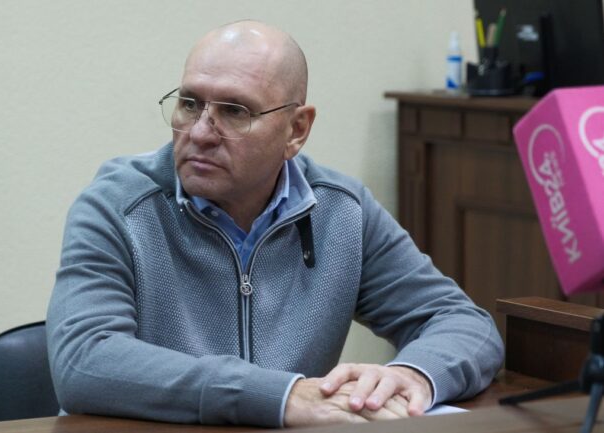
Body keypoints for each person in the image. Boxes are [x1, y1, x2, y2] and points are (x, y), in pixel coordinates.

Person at [46, 20, 504, 428]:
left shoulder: (341, 210)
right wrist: (281, 397)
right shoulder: (118, 205)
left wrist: (412, 375)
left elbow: (463, 322)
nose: (200, 132)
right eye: (189, 103)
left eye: (235, 111)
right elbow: (84, 361)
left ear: (296, 130)